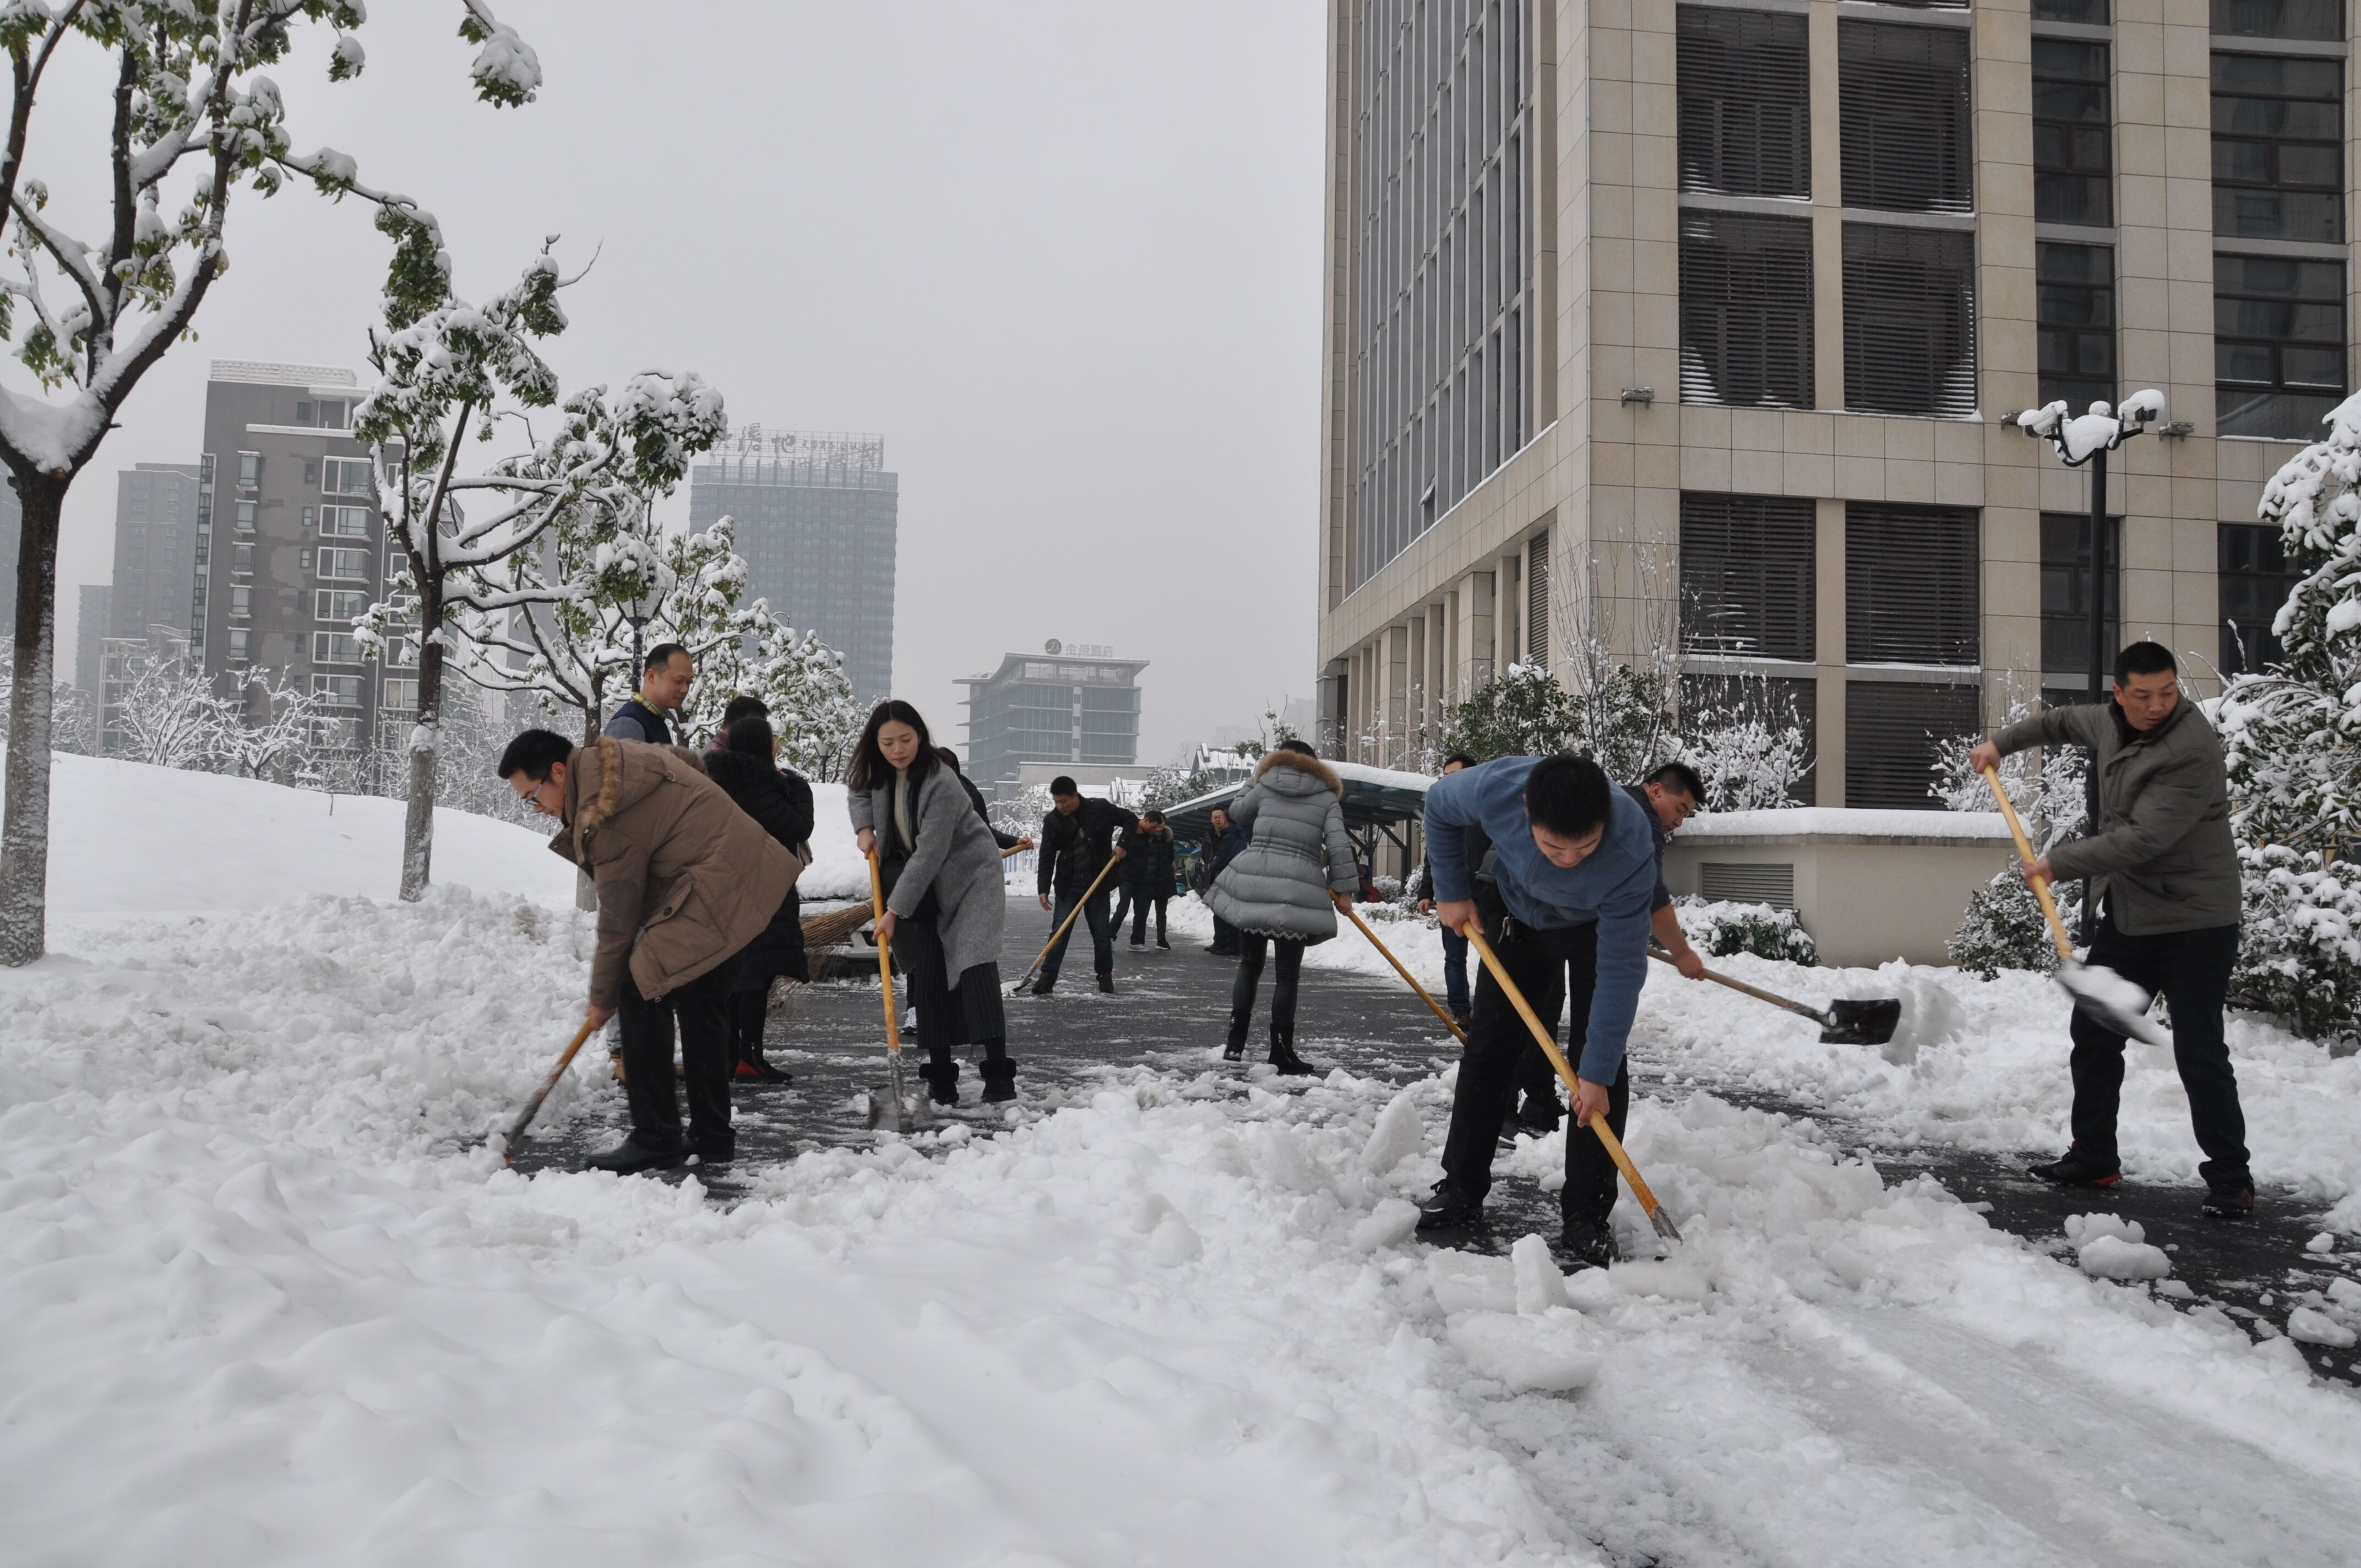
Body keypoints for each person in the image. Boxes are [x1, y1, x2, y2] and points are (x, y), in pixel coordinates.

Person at [1967, 641, 2251, 1217]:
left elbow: (2146, 837)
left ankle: (2230, 1178)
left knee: (2199, 1049)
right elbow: (2057, 721)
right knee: (2094, 1034)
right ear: (2118, 695)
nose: (2156, 705)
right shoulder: (2107, 722)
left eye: (2167, 692)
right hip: (2133, 913)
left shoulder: (2190, 749)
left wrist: (2057, 863)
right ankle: (2095, 1156)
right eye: (2142, 695)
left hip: (2196, 920)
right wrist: (2000, 743)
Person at [501, 727, 801, 1173]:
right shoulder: (620, 758)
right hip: (749, 871)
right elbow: (689, 761)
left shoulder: (603, 815)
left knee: (637, 992)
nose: (537, 809)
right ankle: (713, 1135)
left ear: (559, 772)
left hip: (717, 889)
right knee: (703, 1002)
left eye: (533, 796)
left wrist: (603, 998)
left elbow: (618, 925)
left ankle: (655, 1136)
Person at [1416, 753, 1658, 1268]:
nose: (1568, 859)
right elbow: (1438, 804)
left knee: (1602, 1069)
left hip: (1595, 930)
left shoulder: (1631, 846)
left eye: (1583, 847)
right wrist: (1452, 893)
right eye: (1553, 846)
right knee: (1489, 1049)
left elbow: (1621, 972)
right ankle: (1462, 1187)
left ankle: (1586, 1215)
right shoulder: (1499, 788)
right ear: (1526, 811)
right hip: (1518, 918)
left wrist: (1591, 1076)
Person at [849, 701, 1019, 1104]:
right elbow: (857, 788)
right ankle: (941, 1078)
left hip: (970, 878)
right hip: (922, 883)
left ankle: (998, 1077)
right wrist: (864, 828)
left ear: (920, 736)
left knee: (974, 967)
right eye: (888, 742)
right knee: (928, 973)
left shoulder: (940, 781)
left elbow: (931, 852)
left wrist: (894, 912)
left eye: (905, 740)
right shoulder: (877, 770)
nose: (897, 750)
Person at [1204, 740, 1359, 1075]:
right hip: (1298, 889)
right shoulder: (1327, 796)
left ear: (1279, 760)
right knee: (1287, 976)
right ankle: (1281, 1050)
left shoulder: (1264, 786)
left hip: (1255, 880)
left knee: (1249, 965)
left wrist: (1256, 776)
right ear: (1315, 764)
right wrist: (1345, 890)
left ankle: (1235, 1043)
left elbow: (1236, 812)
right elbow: (1338, 844)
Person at [700, 710, 813, 1084]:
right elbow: (798, 826)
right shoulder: (761, 789)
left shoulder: (719, 782)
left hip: (726, 893)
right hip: (762, 894)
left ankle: (732, 1056)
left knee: (736, 979)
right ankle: (749, 1057)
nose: (777, 745)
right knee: (755, 979)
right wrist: (798, 787)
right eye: (772, 740)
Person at [1026, 777, 1136, 995]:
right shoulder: (1053, 821)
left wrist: (1123, 845)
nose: (1060, 806)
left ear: (1075, 796)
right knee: (1059, 932)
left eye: (1064, 801)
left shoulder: (1100, 809)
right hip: (1069, 886)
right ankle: (1047, 977)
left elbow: (1131, 820)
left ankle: (1105, 975)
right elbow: (1046, 854)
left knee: (1101, 934)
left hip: (1098, 885)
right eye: (1056, 802)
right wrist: (1043, 888)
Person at [1416, 754, 1480, 1029]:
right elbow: (1435, 857)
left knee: (1495, 958)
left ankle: (1496, 1014)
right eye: (1444, 778)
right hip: (1451, 898)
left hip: (1487, 897)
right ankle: (1461, 1011)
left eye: (1453, 777)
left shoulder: (1486, 810)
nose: (1447, 784)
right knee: (1455, 958)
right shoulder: (1444, 814)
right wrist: (1426, 891)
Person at [605, 643, 694, 744]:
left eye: (689, 682)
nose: (685, 689)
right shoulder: (627, 724)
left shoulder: (656, 721)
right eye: (679, 681)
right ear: (652, 676)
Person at [1119, 809, 1177, 949]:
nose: (1159, 827)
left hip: (1163, 879)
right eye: (1157, 824)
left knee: (1161, 912)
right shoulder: (1145, 836)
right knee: (1142, 911)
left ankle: (1161, 939)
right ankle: (1139, 940)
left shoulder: (1168, 838)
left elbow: (1171, 857)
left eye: (1162, 824)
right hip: (1146, 878)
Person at [1203, 805, 1247, 956]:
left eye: (1220, 817)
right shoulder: (1236, 835)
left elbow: (1221, 859)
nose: (1218, 819)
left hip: (1226, 878)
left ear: (1226, 819)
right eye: (1215, 817)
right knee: (1223, 912)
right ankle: (1222, 942)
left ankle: (1228, 945)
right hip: (1228, 878)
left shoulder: (1229, 837)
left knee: (1223, 913)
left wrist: (1213, 864)